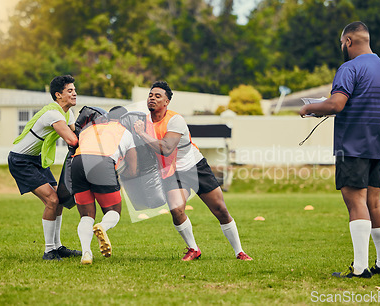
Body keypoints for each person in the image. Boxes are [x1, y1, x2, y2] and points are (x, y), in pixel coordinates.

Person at [299, 21, 380, 278]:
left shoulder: (349, 68)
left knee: (356, 203)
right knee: (374, 202)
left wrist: (309, 108)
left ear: (349, 42)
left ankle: (361, 268)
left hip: (352, 146)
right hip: (377, 145)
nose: (342, 47)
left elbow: (337, 104)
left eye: (342, 43)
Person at [133, 81, 252, 261]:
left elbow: (166, 148)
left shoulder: (175, 120)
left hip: (195, 167)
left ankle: (239, 252)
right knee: (176, 210)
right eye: (150, 95)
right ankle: (193, 249)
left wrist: (142, 134)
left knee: (220, 209)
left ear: (166, 102)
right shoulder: (143, 122)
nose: (152, 98)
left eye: (158, 96)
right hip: (172, 172)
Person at [8, 75, 82, 261]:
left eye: (74, 90)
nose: (74, 93)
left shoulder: (68, 113)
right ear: (58, 95)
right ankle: (49, 251)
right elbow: (73, 140)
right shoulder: (53, 114)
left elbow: (78, 133)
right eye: (70, 91)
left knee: (60, 199)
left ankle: (58, 247)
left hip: (36, 160)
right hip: (21, 161)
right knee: (52, 200)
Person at [71, 106, 137, 265]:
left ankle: (86, 253)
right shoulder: (125, 132)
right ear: (124, 120)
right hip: (102, 162)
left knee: (86, 215)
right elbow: (133, 170)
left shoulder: (89, 128)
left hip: (78, 163)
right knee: (113, 211)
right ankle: (102, 226)